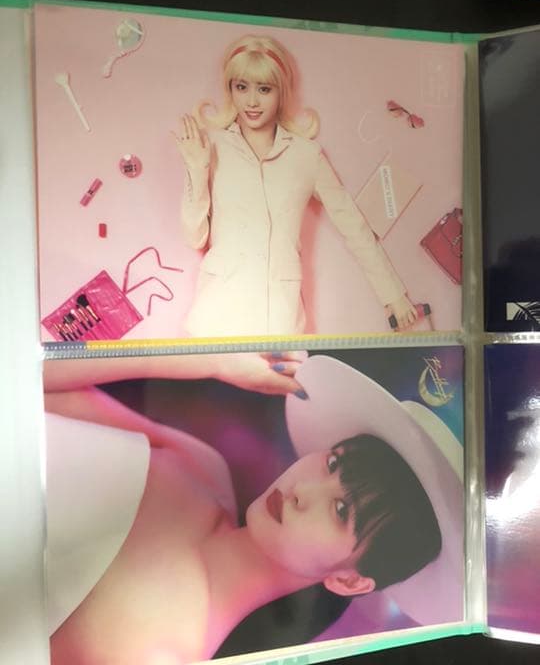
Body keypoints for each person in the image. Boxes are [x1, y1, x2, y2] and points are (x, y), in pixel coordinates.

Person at [45, 351, 451, 665]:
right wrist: (212, 362)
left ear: (349, 581)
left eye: (342, 510)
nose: (302, 489)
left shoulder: (159, 653)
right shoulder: (202, 469)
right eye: (332, 463)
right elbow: (33, 381)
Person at [174, 34, 418, 337]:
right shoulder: (210, 147)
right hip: (216, 316)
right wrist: (196, 170)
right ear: (230, 89)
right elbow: (195, 237)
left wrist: (393, 296)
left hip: (280, 318)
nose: (251, 101)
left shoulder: (307, 156)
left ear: (281, 91)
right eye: (241, 87)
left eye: (264, 89)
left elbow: (353, 226)